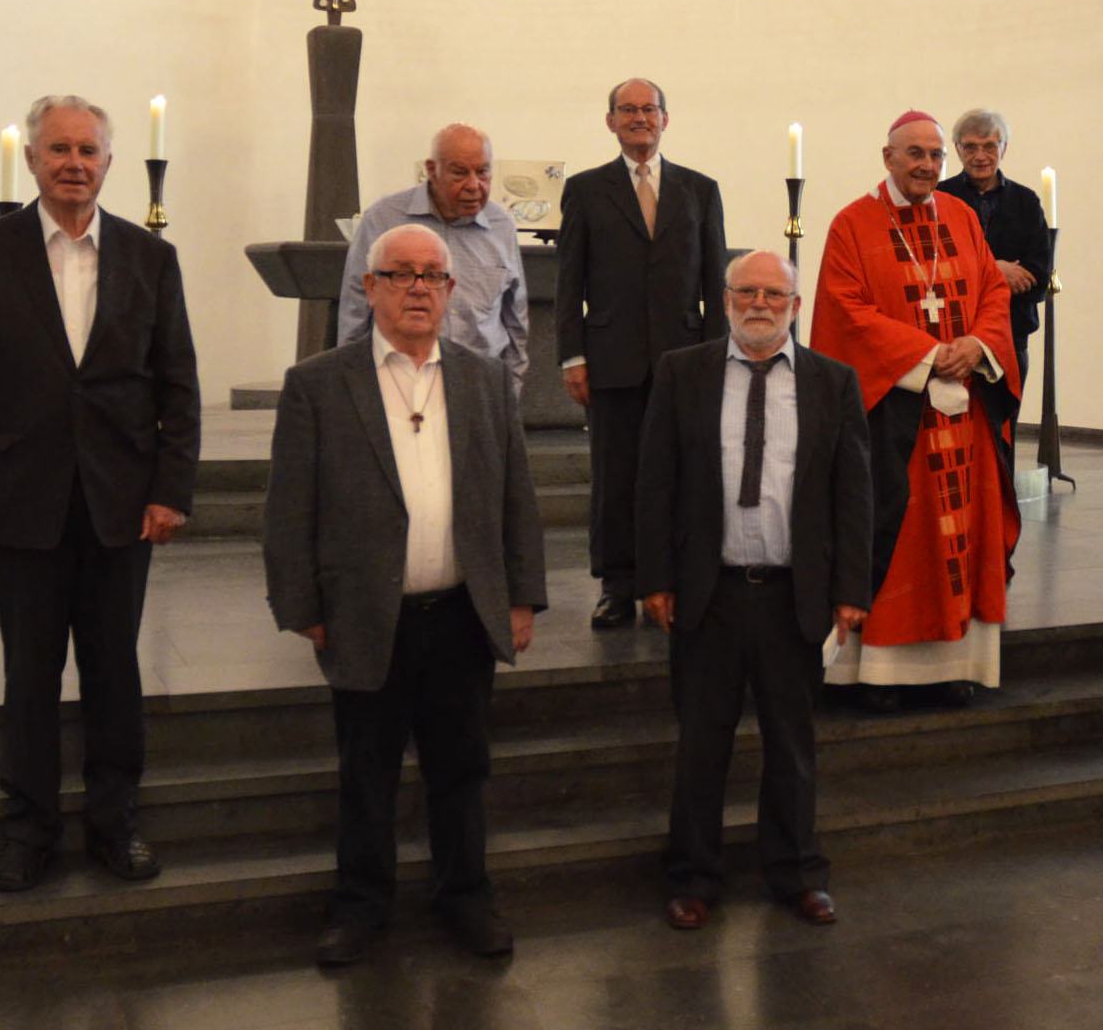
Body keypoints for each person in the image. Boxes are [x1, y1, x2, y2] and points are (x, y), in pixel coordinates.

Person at [0, 95, 200, 892]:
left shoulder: (151, 257)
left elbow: (177, 383)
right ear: (35, 162)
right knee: (30, 673)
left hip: (121, 500)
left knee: (115, 670)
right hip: (18, 498)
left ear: (109, 163)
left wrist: (171, 488)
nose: (74, 162)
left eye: (88, 150)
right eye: (58, 149)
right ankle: (29, 828)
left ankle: (117, 822)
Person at [265, 223, 547, 965]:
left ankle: (465, 899)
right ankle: (360, 907)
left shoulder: (485, 380)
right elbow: (289, 507)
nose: (418, 287)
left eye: (432, 275)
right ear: (370, 286)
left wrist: (521, 596)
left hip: (459, 612)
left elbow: (516, 494)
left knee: (462, 769)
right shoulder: (319, 383)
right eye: (401, 273)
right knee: (367, 772)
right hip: (365, 614)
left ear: (452, 290)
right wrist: (303, 607)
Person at [637, 250, 870, 930]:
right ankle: (693, 875)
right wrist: (653, 576)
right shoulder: (683, 372)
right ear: (726, 299)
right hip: (707, 592)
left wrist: (849, 588)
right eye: (746, 292)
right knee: (700, 745)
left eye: (774, 293)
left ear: (795, 306)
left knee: (792, 744)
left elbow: (853, 495)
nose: (759, 303)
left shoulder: (833, 381)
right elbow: (654, 483)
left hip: (792, 594)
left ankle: (796, 871)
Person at [810, 110, 1020, 713]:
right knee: (898, 535)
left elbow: (992, 292)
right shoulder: (853, 224)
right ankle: (879, 670)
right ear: (888, 158)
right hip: (893, 411)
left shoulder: (961, 216)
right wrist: (930, 356)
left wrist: (975, 347)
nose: (928, 166)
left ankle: (954, 662)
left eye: (935, 156)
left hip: (963, 414)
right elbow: (844, 312)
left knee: (959, 537)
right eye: (915, 155)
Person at [557, 78, 729, 628]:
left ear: (665, 119)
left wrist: (721, 355)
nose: (639, 118)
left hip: (686, 356)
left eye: (648, 109)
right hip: (613, 358)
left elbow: (715, 280)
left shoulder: (701, 190)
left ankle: (677, 576)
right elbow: (569, 282)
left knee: (685, 472)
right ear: (610, 121)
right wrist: (571, 356)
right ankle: (618, 584)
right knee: (616, 476)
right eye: (627, 110)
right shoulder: (586, 190)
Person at [336, 123, 528, 394]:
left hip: (479, 387)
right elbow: (355, 312)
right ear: (431, 170)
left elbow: (516, 322)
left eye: (483, 172)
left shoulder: (502, 226)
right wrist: (352, 389)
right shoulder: (382, 219)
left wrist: (509, 392)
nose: (474, 185)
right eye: (460, 173)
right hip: (398, 383)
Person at [936, 108, 1050, 432]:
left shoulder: (1026, 202)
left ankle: (1003, 486)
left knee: (1003, 431)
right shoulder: (940, 197)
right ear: (957, 149)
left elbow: (1039, 278)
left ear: (1004, 148)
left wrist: (972, 273)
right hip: (952, 335)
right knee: (952, 430)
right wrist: (997, 269)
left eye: (989, 146)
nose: (980, 156)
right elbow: (934, 269)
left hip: (1010, 335)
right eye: (970, 147)